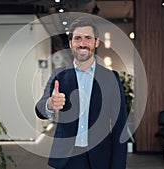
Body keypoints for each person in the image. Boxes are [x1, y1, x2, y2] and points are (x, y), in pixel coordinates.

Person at [35, 16, 127, 169]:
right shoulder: (59, 75)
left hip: (101, 157)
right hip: (67, 158)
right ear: (71, 43)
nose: (82, 44)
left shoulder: (111, 78)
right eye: (77, 38)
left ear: (96, 42)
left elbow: (120, 126)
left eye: (88, 38)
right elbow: (40, 109)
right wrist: (50, 104)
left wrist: (118, 165)